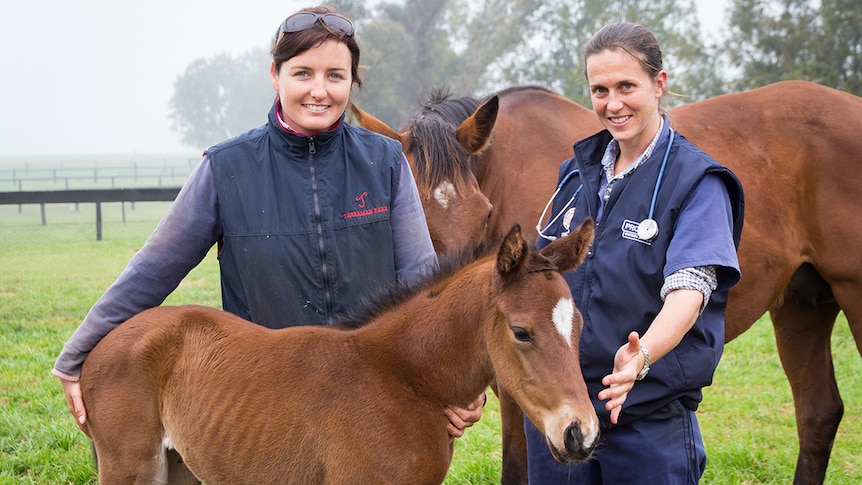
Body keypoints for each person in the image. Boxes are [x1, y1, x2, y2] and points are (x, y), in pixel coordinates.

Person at [53, 5, 483, 443]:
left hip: (372, 407)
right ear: (275, 76)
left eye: (335, 76)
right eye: (303, 74)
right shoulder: (226, 168)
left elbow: (426, 287)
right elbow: (152, 270)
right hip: (267, 410)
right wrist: (75, 354)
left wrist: (461, 386)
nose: (320, 91)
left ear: (352, 83)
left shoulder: (386, 162)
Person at [529, 22, 744, 483]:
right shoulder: (574, 175)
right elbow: (533, 286)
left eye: (627, 86)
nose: (613, 103)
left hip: (646, 419)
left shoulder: (698, 182)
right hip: (561, 416)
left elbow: (690, 289)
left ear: (659, 84)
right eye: (600, 89)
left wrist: (642, 356)